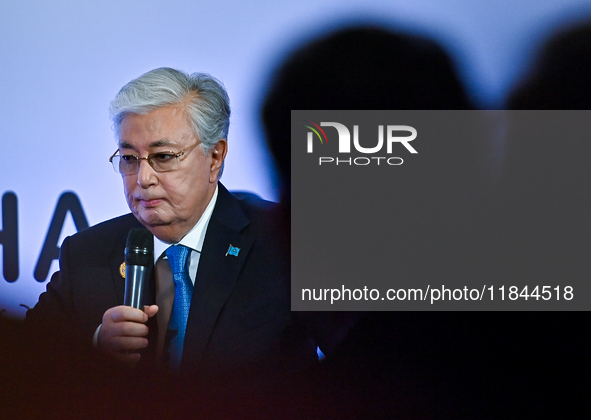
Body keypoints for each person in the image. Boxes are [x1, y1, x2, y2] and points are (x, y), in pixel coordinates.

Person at [25, 68, 313, 385]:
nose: (143, 179)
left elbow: (363, 367)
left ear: (215, 156)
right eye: (129, 158)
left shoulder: (285, 244)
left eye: (163, 156)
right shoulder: (86, 253)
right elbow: (23, 362)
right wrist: (94, 346)